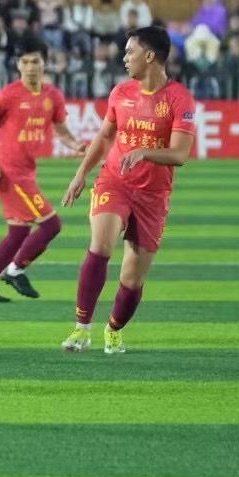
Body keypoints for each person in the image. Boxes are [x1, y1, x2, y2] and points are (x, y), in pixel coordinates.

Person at [60, 26, 196, 354]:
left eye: (129, 51)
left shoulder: (179, 98)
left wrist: (144, 152)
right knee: (101, 244)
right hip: (115, 181)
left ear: (149, 56)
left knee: (132, 279)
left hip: (153, 195)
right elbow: (105, 136)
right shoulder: (120, 92)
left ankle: (113, 330)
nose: (124, 58)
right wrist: (80, 174)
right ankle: (81, 328)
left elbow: (179, 154)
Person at [0, 37, 86, 303]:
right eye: (25, 62)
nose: (30, 67)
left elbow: (62, 130)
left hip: (27, 171)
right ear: (18, 65)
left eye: (35, 61)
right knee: (51, 225)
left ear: (45, 63)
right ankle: (14, 270)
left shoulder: (52, 96)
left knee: (18, 233)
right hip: (10, 173)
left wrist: (76, 145)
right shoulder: (8, 95)